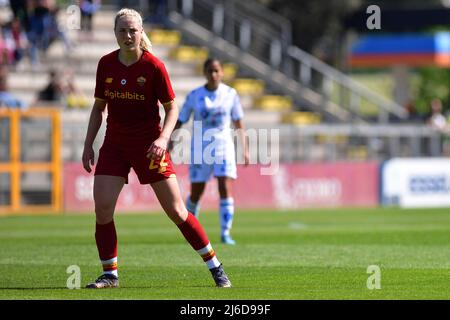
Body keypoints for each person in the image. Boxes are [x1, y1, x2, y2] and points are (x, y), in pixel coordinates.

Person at [81, 8, 231, 289]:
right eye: (122, 31)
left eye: (133, 30)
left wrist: (163, 139)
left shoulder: (154, 67)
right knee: (102, 208)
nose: (128, 36)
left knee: (177, 211)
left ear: (141, 33)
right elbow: (99, 108)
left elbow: (172, 108)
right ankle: (110, 275)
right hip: (114, 145)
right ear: (115, 33)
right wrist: (89, 143)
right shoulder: (105, 65)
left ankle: (215, 266)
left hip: (149, 147)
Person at [170, 58, 250, 245]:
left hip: (223, 147)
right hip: (201, 148)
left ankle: (225, 233)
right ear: (205, 73)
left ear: (222, 72)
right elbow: (181, 119)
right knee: (197, 192)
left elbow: (239, 122)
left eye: (216, 71)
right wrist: (171, 140)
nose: (213, 74)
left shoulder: (231, 94)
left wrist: (245, 149)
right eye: (210, 71)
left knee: (225, 186)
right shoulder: (194, 95)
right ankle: (190, 230)